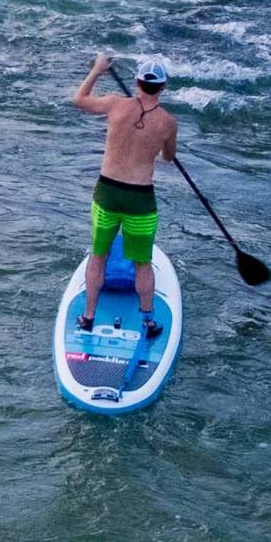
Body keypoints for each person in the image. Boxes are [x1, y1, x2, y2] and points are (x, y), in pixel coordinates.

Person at [70, 55, 177, 339]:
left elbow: (79, 99)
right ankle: (148, 322)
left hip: (107, 193)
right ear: (162, 88)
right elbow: (169, 157)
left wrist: (96, 70)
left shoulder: (115, 104)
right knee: (143, 263)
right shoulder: (168, 122)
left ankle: (88, 317)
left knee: (98, 256)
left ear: (137, 83)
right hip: (140, 200)